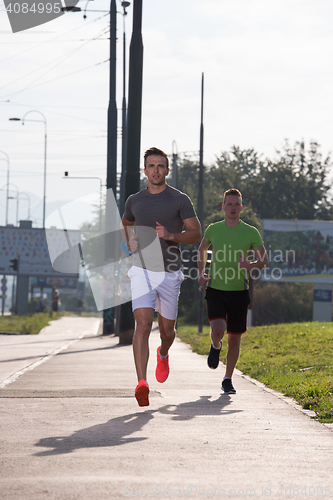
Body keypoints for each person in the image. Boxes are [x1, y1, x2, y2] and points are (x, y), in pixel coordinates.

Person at [122, 146, 202, 407]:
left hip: (169, 272)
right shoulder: (134, 200)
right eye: (151, 166)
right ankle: (141, 383)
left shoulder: (179, 200)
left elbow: (196, 234)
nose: (156, 170)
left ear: (167, 170)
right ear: (145, 170)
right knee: (143, 325)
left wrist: (170, 236)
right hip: (142, 269)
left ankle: (163, 352)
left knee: (167, 331)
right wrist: (129, 243)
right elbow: (126, 223)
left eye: (160, 166)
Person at [198, 188, 269, 394]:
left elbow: (264, 260)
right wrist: (202, 272)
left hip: (239, 291)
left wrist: (250, 265)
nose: (233, 208)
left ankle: (227, 378)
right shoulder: (213, 229)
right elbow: (202, 249)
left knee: (235, 338)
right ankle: (215, 345)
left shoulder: (251, 232)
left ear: (241, 207)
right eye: (229, 204)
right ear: (223, 207)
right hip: (216, 288)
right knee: (219, 329)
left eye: (236, 204)